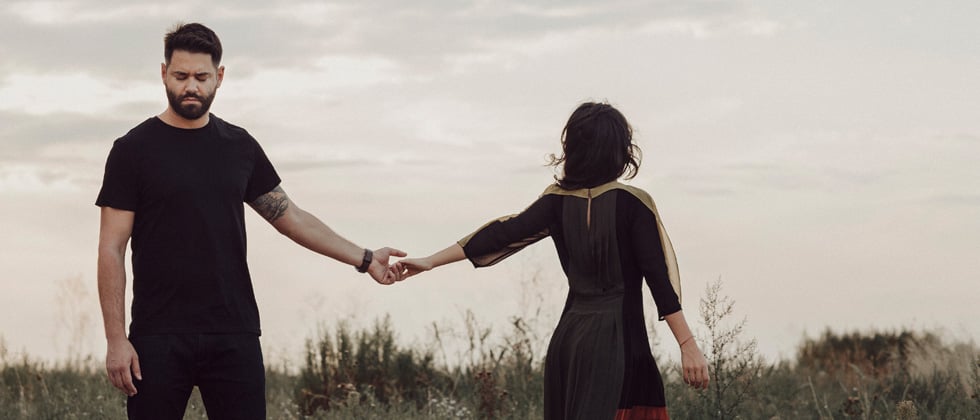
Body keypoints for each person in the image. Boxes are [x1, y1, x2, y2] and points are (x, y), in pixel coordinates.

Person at [95, 22, 403, 419]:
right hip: (158, 335)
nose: (191, 86)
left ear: (219, 77)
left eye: (202, 77)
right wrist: (116, 339)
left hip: (233, 332)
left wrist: (363, 258)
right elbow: (111, 247)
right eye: (181, 75)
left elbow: (290, 217)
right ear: (163, 73)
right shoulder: (132, 151)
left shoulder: (238, 146)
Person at [394, 102, 710, 420]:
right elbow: (658, 278)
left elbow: (500, 234)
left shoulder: (555, 203)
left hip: (569, 345)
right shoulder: (634, 204)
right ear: (618, 151)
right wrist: (687, 344)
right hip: (619, 346)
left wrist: (431, 261)